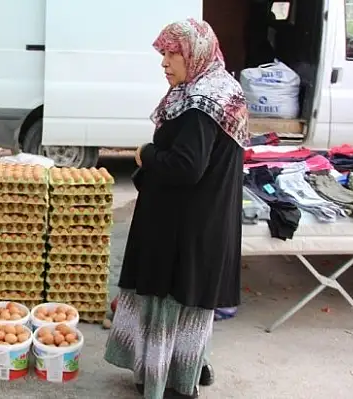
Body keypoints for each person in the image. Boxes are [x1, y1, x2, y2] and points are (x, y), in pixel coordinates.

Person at [103, 18, 248, 399]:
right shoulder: (219, 89)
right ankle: (187, 369)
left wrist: (147, 154)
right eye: (163, 53)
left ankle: (169, 385)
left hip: (184, 228)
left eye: (173, 53)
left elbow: (186, 166)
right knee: (186, 307)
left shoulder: (202, 103)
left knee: (172, 304)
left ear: (195, 55)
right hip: (198, 222)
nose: (164, 62)